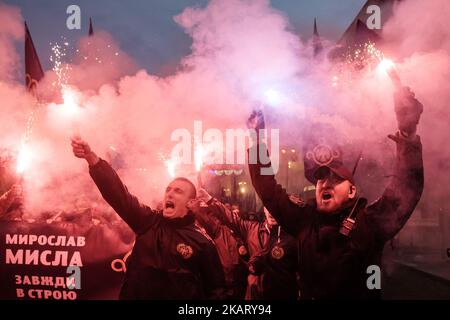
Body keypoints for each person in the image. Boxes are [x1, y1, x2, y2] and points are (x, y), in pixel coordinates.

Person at [247, 87, 424, 299]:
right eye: (320, 178)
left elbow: (408, 186)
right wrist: (257, 139)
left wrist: (408, 135)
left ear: (352, 191)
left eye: (336, 179)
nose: (325, 184)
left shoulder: (371, 223)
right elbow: (267, 187)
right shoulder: (303, 220)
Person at [71, 137, 225, 299]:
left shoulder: (202, 242)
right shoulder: (147, 222)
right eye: (168, 189)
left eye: (178, 191)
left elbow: (217, 291)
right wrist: (92, 158)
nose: (170, 193)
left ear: (191, 202)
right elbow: (118, 194)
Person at [192, 189, 299, 300]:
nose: (271, 212)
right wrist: (210, 200)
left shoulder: (293, 235)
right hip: (255, 294)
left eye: (275, 208)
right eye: (268, 207)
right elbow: (231, 218)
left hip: (282, 294)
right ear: (264, 209)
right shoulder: (251, 229)